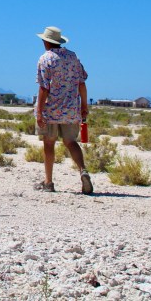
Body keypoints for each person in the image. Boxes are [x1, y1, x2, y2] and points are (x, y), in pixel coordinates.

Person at [34, 26, 93, 194]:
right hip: (70, 108)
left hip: (50, 109)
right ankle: (83, 170)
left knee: (49, 143)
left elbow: (44, 88)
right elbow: (82, 83)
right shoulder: (73, 57)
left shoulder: (45, 59)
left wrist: (39, 112)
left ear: (46, 41)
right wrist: (84, 106)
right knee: (71, 142)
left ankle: (49, 182)